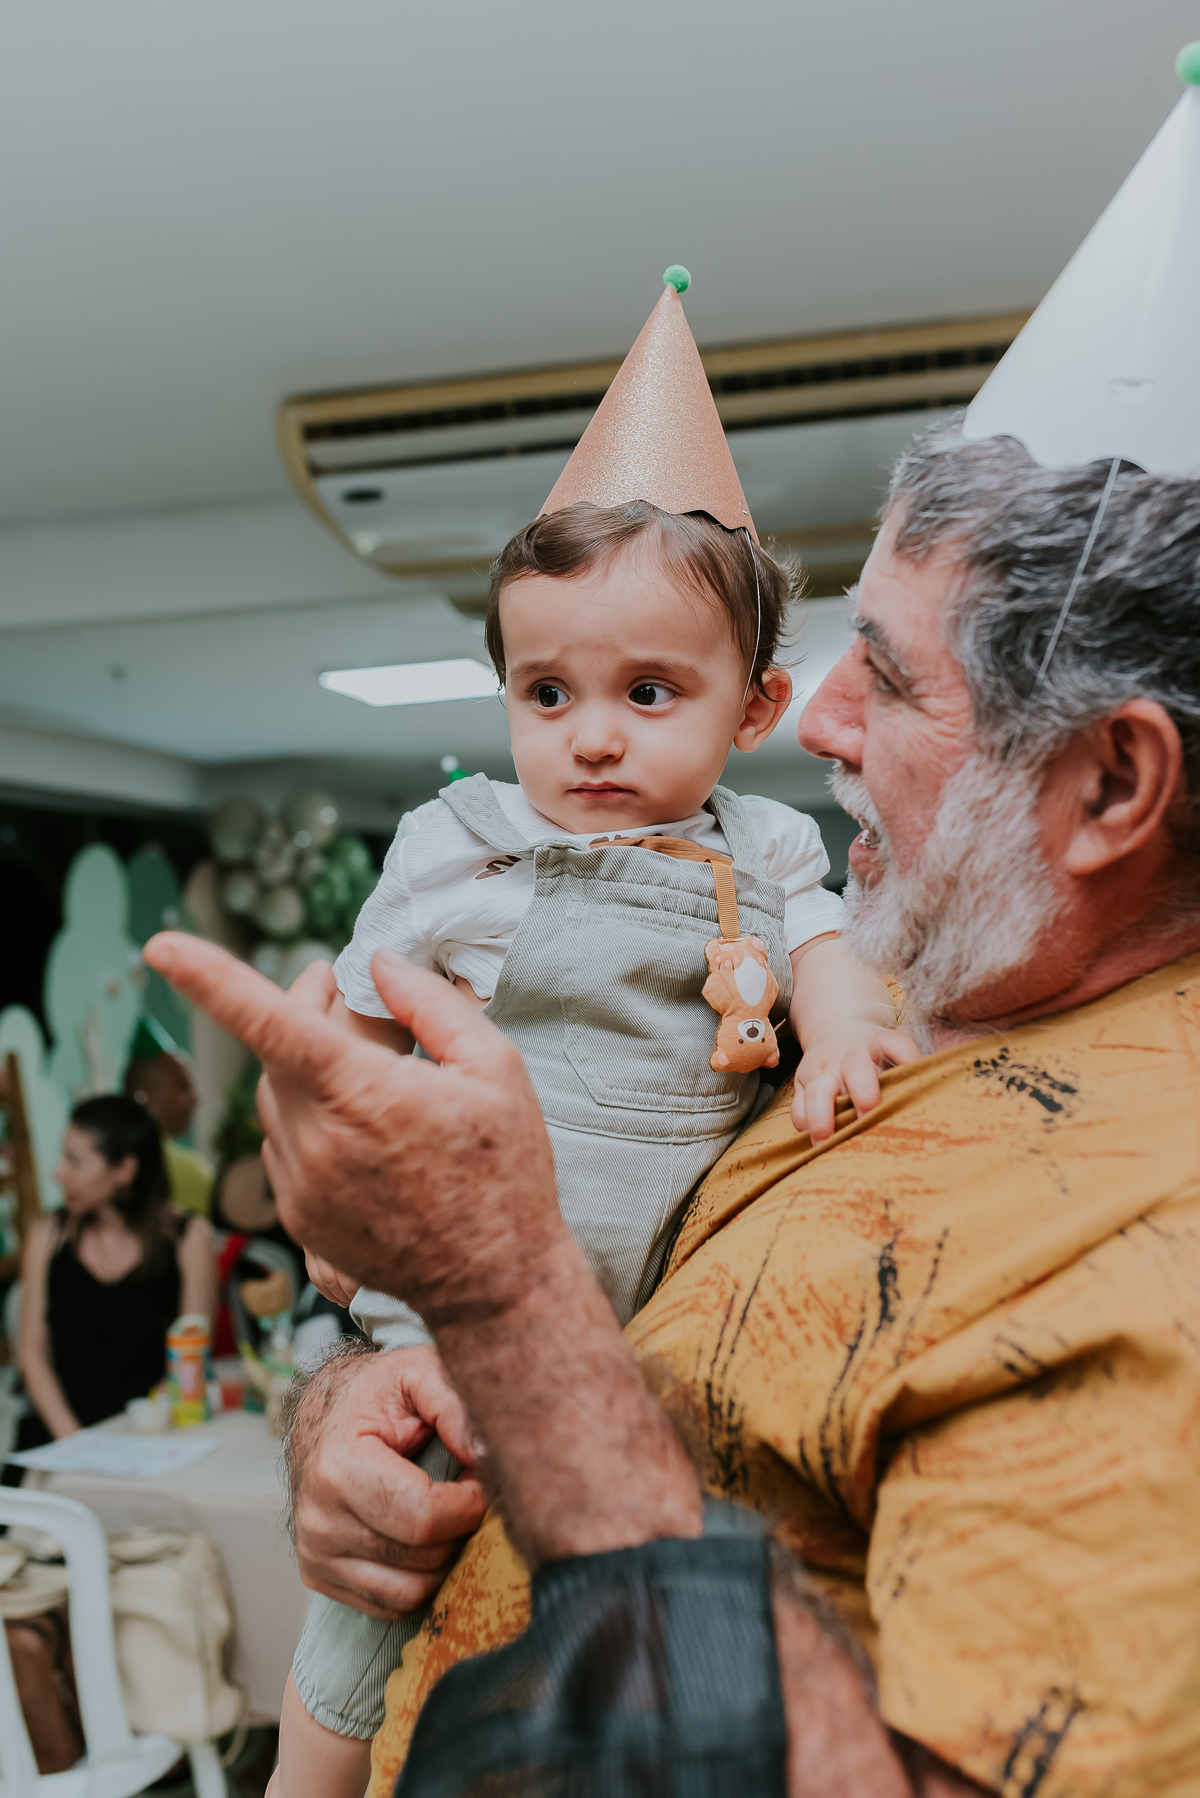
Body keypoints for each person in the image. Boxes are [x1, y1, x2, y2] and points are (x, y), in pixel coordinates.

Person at [283, 273, 917, 1798]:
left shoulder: (769, 849)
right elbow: (363, 1017)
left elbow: (825, 953)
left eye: (648, 690)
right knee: (382, 1571)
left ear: (756, 704)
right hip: (470, 1274)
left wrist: (840, 1036)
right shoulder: (464, 842)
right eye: (547, 690)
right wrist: (330, 1176)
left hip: (654, 1311)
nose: (592, 734)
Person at [16, 1095, 215, 1445]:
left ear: (124, 1169)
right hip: (60, 1437)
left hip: (152, 1433)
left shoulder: (189, 1238)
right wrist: (77, 1442)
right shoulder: (47, 1236)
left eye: (74, 1161)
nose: (58, 1173)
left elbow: (190, 1356)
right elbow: (32, 1354)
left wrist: (143, 1430)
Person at [124, 1037, 215, 1220]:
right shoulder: (194, 1172)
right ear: (143, 1095)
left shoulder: (108, 1159)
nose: (195, 1099)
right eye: (183, 1086)